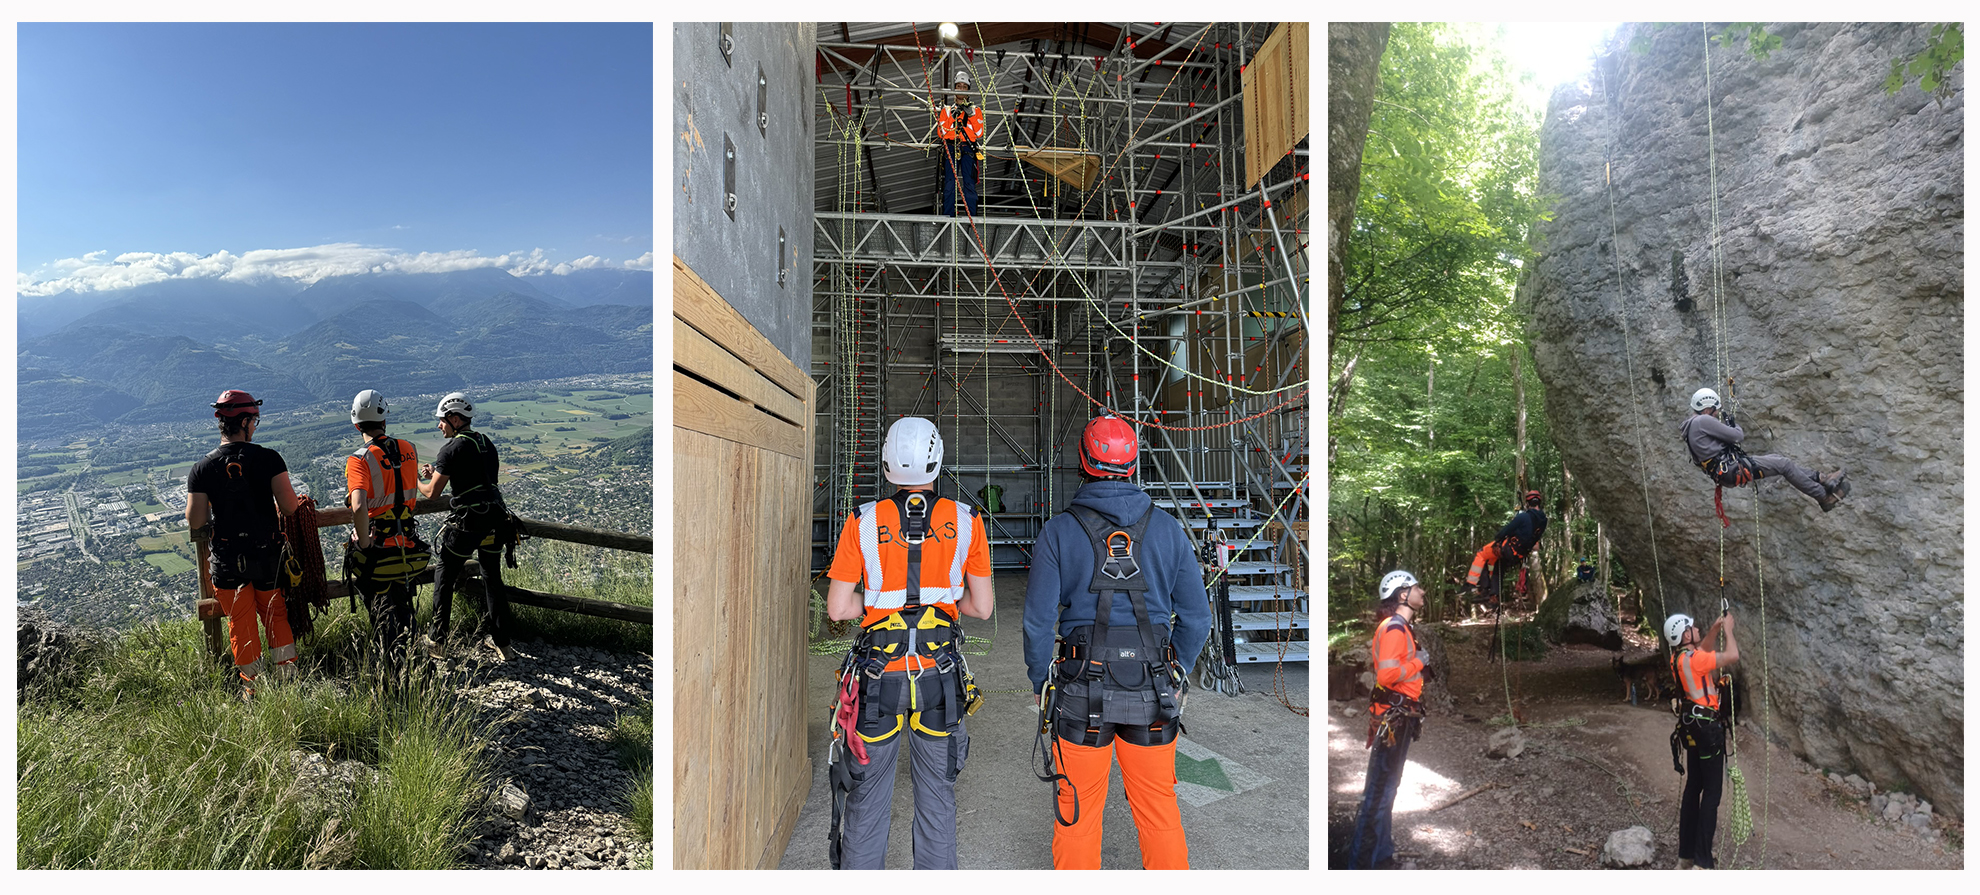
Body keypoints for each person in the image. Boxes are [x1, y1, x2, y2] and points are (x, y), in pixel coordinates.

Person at [1024, 414, 1210, 869]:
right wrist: (1177, 672)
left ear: (1083, 461)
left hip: (1080, 689)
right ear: (1133, 464)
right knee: (1158, 810)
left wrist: (1038, 680)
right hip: (1153, 689)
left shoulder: (1059, 531)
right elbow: (1197, 618)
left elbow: (1037, 621)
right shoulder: (1167, 529)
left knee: (1079, 813)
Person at [824, 416, 994, 869]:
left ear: (885, 464)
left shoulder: (860, 522)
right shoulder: (967, 521)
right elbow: (983, 607)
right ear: (938, 464)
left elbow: (838, 609)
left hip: (880, 680)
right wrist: (943, 593)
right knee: (936, 801)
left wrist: (881, 599)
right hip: (940, 682)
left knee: (866, 800)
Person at [185, 390, 302, 697]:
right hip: (266, 556)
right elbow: (289, 507)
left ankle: (253, 691)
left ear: (221, 424)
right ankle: (288, 682)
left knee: (241, 624)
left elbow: (196, 520)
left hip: (227, 561)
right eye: (255, 421)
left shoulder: (202, 468)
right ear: (247, 422)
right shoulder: (268, 458)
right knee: (275, 616)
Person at [416, 392, 517, 662]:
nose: (440, 425)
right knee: (492, 578)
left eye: (442, 420)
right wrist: (435, 472)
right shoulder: (486, 442)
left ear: (455, 418)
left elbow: (432, 494)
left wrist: (417, 480)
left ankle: (437, 641)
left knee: (444, 576)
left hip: (468, 523)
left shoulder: (450, 449)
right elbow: (477, 478)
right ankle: (503, 643)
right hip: (495, 520)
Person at [1347, 570, 1430, 869]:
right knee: (1380, 792)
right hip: (1394, 719)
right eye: (1417, 588)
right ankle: (1365, 865)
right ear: (1402, 594)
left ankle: (1381, 855)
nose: (1422, 593)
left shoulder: (1401, 627)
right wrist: (1421, 660)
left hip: (1399, 716)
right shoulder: (1395, 628)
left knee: (1386, 788)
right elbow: (1388, 675)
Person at [344, 389, 424, 673]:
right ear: (385, 420)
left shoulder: (360, 459)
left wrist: (364, 543)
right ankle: (416, 665)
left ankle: (393, 669)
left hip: (379, 548)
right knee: (404, 605)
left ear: (356, 424)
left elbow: (358, 506)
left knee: (381, 610)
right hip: (407, 545)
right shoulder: (409, 448)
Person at [1681, 387, 1848, 511]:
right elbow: (1738, 436)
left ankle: (1822, 478)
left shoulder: (1692, 426)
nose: (1716, 414)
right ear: (1707, 409)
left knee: (1778, 460)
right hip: (1730, 469)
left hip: (1727, 471)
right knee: (1783, 464)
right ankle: (1823, 496)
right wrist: (1733, 425)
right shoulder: (1702, 421)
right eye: (1715, 411)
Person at [1665, 612, 1740, 870]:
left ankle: (1685, 856)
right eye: (1693, 627)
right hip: (1707, 730)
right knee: (1712, 792)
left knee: (1693, 787)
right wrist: (1728, 630)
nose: (1696, 629)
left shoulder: (1678, 659)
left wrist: (1714, 628)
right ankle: (1702, 862)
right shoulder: (1695, 660)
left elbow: (1703, 650)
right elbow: (1732, 656)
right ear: (1686, 635)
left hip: (1691, 729)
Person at [1463, 490, 1547, 602]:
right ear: (1539, 503)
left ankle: (1471, 584)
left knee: (1482, 553)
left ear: (1527, 503)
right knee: (1498, 565)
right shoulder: (1543, 521)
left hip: (1509, 549)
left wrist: (1498, 538)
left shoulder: (1523, 517)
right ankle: (1492, 594)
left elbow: (1506, 530)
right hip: (1520, 555)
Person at [935, 69, 985, 216]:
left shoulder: (976, 111)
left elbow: (979, 133)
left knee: (969, 183)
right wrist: (954, 123)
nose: (961, 89)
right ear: (954, 89)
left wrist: (971, 116)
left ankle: (972, 217)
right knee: (950, 183)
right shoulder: (947, 110)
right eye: (959, 86)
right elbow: (942, 133)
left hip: (968, 148)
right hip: (951, 147)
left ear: (968, 90)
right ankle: (949, 215)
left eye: (964, 86)